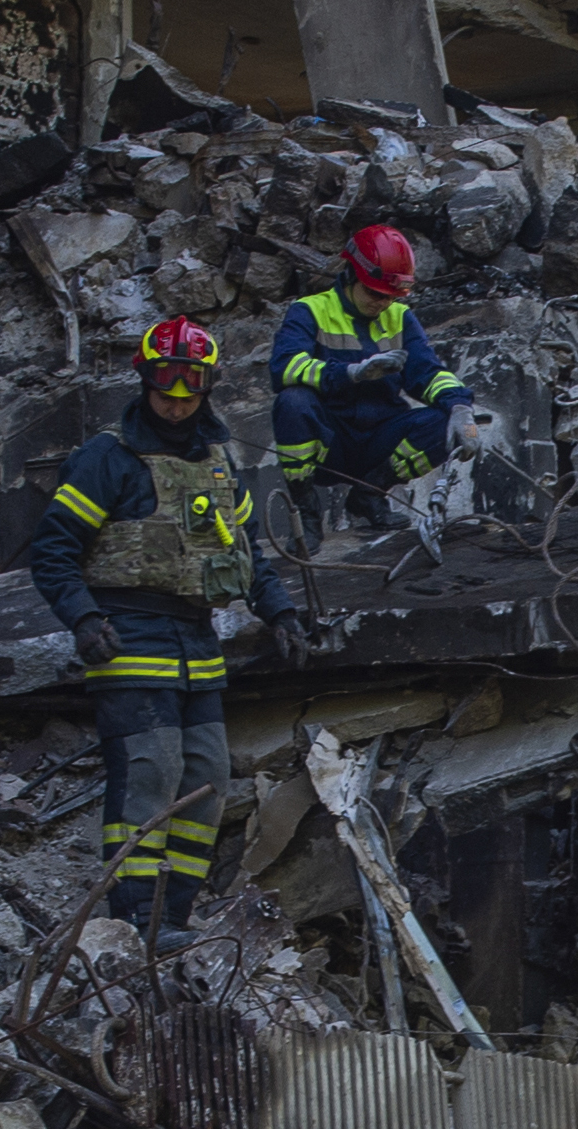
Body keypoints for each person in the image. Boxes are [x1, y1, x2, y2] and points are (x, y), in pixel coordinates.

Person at [24, 319, 301, 941]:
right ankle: (133, 921)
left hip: (197, 642)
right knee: (149, 772)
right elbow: (54, 550)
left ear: (208, 386)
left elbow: (247, 549)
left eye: (192, 384)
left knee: (205, 781)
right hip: (129, 639)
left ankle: (174, 917)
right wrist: (83, 618)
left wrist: (279, 610)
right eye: (166, 381)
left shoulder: (220, 462)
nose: (178, 398)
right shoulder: (109, 459)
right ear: (145, 378)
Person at [269, 222, 469, 507]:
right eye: (375, 293)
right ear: (352, 274)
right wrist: (350, 373)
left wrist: (461, 409)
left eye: (391, 297)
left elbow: (427, 373)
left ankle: (371, 493)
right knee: (292, 402)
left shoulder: (399, 317)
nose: (383, 303)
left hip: (380, 438)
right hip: (331, 440)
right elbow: (284, 367)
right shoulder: (310, 310)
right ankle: (304, 507)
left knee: (443, 419)